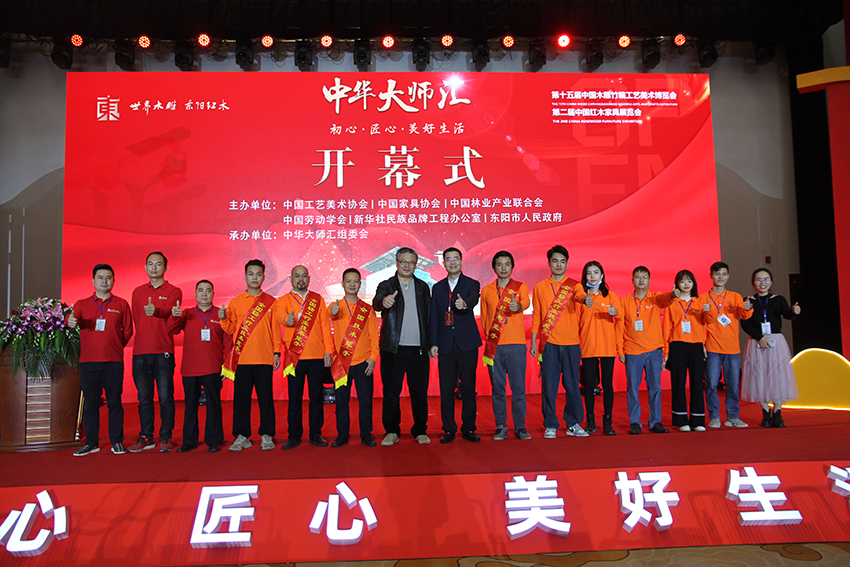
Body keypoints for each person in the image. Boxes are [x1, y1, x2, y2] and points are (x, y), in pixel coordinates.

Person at [68, 264, 134, 456]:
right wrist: (69, 322)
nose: (104, 281)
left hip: (113, 362)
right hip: (88, 362)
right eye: (100, 277)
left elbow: (128, 331)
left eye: (108, 278)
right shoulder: (82, 304)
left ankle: (117, 441)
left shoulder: (121, 304)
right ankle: (91, 443)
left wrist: (114, 345)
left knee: (114, 402)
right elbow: (71, 321)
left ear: (113, 281)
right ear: (93, 281)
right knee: (91, 403)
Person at [220, 259, 281, 451]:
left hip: (264, 358)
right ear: (245, 276)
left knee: (266, 399)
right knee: (241, 400)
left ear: (264, 277)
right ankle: (242, 435)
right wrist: (223, 320)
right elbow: (230, 329)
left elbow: (275, 329)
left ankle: (267, 435)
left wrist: (276, 352)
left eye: (258, 274)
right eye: (251, 274)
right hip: (242, 359)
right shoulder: (236, 302)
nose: (255, 277)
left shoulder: (271, 302)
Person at [373, 247, 432, 446]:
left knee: (419, 393)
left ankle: (420, 430)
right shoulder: (386, 285)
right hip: (393, 349)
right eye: (403, 261)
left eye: (411, 262)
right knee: (391, 392)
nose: (407, 265)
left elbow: (429, 316)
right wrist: (384, 301)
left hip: (419, 350)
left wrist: (430, 343)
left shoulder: (423, 287)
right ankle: (391, 431)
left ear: (416, 265)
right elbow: (376, 303)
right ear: (396, 263)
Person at [530, 245, 588, 439]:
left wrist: (585, 299)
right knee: (549, 385)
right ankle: (550, 424)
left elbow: (580, 296)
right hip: (549, 344)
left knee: (572, 385)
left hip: (571, 343)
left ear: (567, 264)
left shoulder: (574, 286)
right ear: (549, 263)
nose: (559, 265)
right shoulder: (540, 287)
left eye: (562, 261)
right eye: (555, 261)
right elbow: (537, 315)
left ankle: (573, 423)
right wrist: (533, 342)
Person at [128, 252, 182, 453]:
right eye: (150, 264)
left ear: (165, 268)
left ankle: (166, 436)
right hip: (140, 352)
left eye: (158, 264)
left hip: (163, 352)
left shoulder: (173, 291)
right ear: (145, 267)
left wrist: (156, 311)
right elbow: (138, 319)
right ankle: (146, 436)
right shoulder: (137, 292)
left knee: (165, 396)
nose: (154, 268)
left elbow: (169, 313)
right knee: (144, 397)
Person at [277, 265, 334, 449]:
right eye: (297, 276)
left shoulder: (317, 299)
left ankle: (316, 433)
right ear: (291, 279)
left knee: (316, 397)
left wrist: (328, 350)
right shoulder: (284, 300)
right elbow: (279, 315)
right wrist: (287, 319)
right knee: (295, 398)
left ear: (309, 279)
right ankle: (294, 435)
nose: (300, 279)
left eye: (304, 276)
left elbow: (325, 326)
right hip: (294, 357)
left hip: (317, 356)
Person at [430, 247, 482, 443]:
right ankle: (449, 429)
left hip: (466, 343)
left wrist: (465, 305)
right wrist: (433, 342)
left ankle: (468, 428)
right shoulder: (437, 288)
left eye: (455, 259)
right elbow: (434, 317)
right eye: (448, 259)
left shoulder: (472, 283)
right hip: (445, 344)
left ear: (461, 261)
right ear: (443, 263)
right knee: (446, 389)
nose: (452, 262)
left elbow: (473, 298)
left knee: (468, 387)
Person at [169, 280, 227, 453]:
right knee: (190, 406)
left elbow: (228, 341)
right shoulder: (186, 314)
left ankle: (214, 440)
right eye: (200, 290)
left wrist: (227, 365)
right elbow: (173, 329)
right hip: (190, 369)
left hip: (213, 367)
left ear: (213, 294)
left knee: (214, 405)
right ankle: (189, 441)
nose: (204, 294)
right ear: (195, 294)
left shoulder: (220, 314)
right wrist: (175, 315)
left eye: (208, 290)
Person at [617, 266, 676, 435]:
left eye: (644, 277)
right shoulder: (624, 302)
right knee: (632, 388)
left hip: (654, 350)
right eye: (638, 277)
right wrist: (620, 351)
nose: (641, 280)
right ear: (632, 281)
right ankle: (635, 422)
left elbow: (666, 299)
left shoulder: (655, 298)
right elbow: (619, 328)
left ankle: (655, 421)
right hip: (633, 350)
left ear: (650, 281)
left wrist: (673, 295)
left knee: (655, 388)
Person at [741, 268, 801, 428]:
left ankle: (778, 412)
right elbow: (745, 323)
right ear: (753, 282)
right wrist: (759, 337)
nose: (763, 283)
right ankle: (765, 413)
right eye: (759, 279)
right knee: (759, 375)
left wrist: (794, 312)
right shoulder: (749, 301)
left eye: (766, 279)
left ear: (771, 282)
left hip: (776, 341)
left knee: (777, 374)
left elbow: (787, 314)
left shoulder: (778, 299)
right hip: (757, 341)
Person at [481, 251, 532, 440]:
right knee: (498, 389)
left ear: (512, 267)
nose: (503, 268)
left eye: (507, 264)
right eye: (499, 264)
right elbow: (485, 319)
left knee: (518, 388)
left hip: (516, 345)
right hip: (495, 346)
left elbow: (525, 302)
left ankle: (520, 426)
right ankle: (501, 426)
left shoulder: (520, 287)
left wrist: (518, 306)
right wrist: (490, 339)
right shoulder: (487, 290)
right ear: (494, 268)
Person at [329, 268, 380, 447]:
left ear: (360, 284)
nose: (352, 284)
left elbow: (374, 335)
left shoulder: (367, 309)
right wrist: (333, 311)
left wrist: (372, 357)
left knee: (365, 401)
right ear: (342, 284)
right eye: (348, 281)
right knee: (341, 402)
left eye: (356, 281)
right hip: (342, 363)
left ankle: (366, 434)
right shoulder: (335, 307)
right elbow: (331, 314)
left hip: (363, 363)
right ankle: (342, 435)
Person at [703, 262, 753, 428]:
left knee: (732, 384)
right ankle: (714, 417)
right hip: (712, 346)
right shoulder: (703, 298)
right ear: (711, 275)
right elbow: (699, 323)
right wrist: (703, 344)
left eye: (724, 274)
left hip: (732, 347)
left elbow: (744, 316)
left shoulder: (735, 296)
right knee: (711, 384)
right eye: (717, 273)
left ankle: (733, 416)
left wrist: (748, 308)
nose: (721, 277)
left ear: (728, 276)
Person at [577, 261, 622, 436]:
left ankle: (608, 422)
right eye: (589, 273)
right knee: (589, 385)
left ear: (602, 275)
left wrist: (615, 312)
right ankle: (590, 421)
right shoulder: (581, 298)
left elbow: (621, 315)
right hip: (588, 346)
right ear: (585, 277)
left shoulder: (610, 296)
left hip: (607, 346)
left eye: (596, 272)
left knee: (607, 385)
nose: (592, 276)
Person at [662, 270, 709, 432]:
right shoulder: (672, 303)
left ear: (694, 283)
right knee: (678, 383)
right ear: (676, 284)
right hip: (677, 345)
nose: (686, 284)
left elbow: (706, 325)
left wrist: (704, 345)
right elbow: (666, 328)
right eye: (682, 281)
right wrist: (666, 352)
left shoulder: (700, 302)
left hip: (696, 345)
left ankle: (698, 420)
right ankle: (681, 419)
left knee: (697, 383)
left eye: (689, 281)